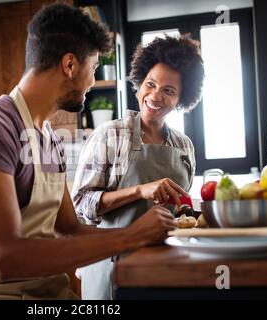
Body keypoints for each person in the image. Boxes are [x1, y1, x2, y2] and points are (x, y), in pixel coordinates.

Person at [0, 3, 177, 300]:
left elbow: (70, 230)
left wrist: (147, 237)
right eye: (93, 68)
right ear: (70, 65)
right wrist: (132, 235)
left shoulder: (50, 138)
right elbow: (6, 256)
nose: (92, 82)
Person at [71, 34, 205, 299]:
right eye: (150, 84)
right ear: (139, 82)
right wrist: (138, 191)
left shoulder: (184, 145)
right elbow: (81, 204)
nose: (155, 96)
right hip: (111, 266)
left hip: (163, 267)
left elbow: (181, 210)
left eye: (168, 91)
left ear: (181, 98)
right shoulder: (110, 135)